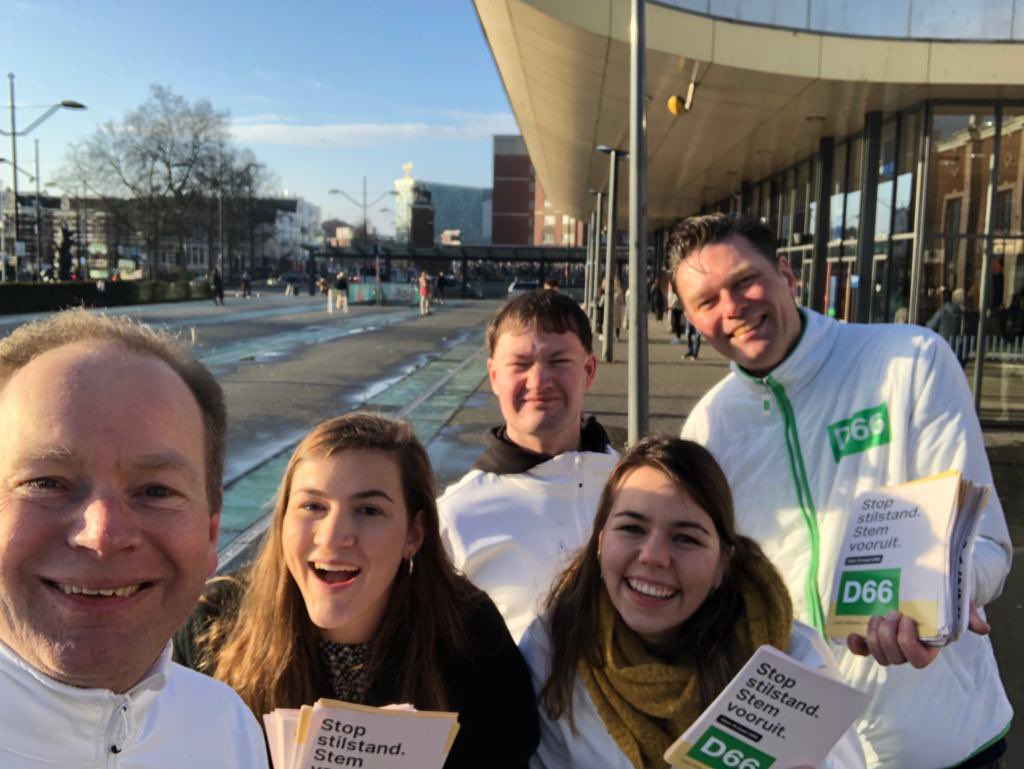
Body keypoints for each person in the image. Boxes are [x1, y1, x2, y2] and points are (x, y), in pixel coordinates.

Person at [671, 213, 1012, 769]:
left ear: (785, 273)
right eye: (707, 301)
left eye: (743, 281)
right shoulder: (709, 429)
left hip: (943, 741)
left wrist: (944, 600)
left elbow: (988, 547)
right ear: (690, 318)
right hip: (808, 752)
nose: (732, 308)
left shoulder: (908, 360)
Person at [174, 413, 539, 769]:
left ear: (414, 534)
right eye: (313, 506)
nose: (333, 536)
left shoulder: (469, 636)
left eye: (368, 510)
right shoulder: (214, 623)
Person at [0, 309, 266, 768]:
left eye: (156, 491)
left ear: (209, 533)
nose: (102, 535)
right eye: (46, 482)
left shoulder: (227, 727)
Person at [520, 436, 864, 769]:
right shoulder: (552, 648)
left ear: (721, 564)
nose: (654, 557)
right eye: (632, 528)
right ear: (599, 541)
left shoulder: (796, 663)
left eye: (685, 538)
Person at [438, 290, 619, 641]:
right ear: (493, 376)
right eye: (520, 364)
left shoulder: (641, 490)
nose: (539, 380)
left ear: (589, 370)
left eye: (559, 361)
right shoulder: (455, 516)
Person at [926, 287, 970, 365]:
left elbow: (929, 327)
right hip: (962, 355)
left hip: (943, 350)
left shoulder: (943, 312)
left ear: (953, 299)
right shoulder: (969, 316)